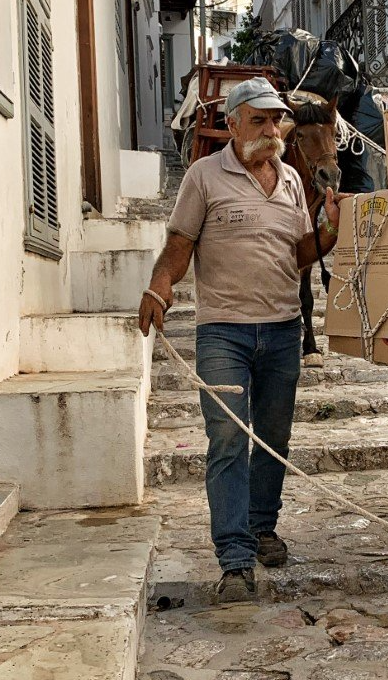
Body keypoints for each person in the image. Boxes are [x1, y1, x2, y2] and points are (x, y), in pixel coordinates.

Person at [138, 77, 342, 604]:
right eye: (259, 120)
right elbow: (179, 246)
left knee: (273, 438)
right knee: (228, 441)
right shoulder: (204, 176)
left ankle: (262, 526)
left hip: (282, 331)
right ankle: (234, 559)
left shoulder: (293, 181)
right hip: (222, 332)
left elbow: (295, 254)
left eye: (276, 120)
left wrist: (329, 234)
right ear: (232, 124)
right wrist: (158, 290)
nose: (271, 130)